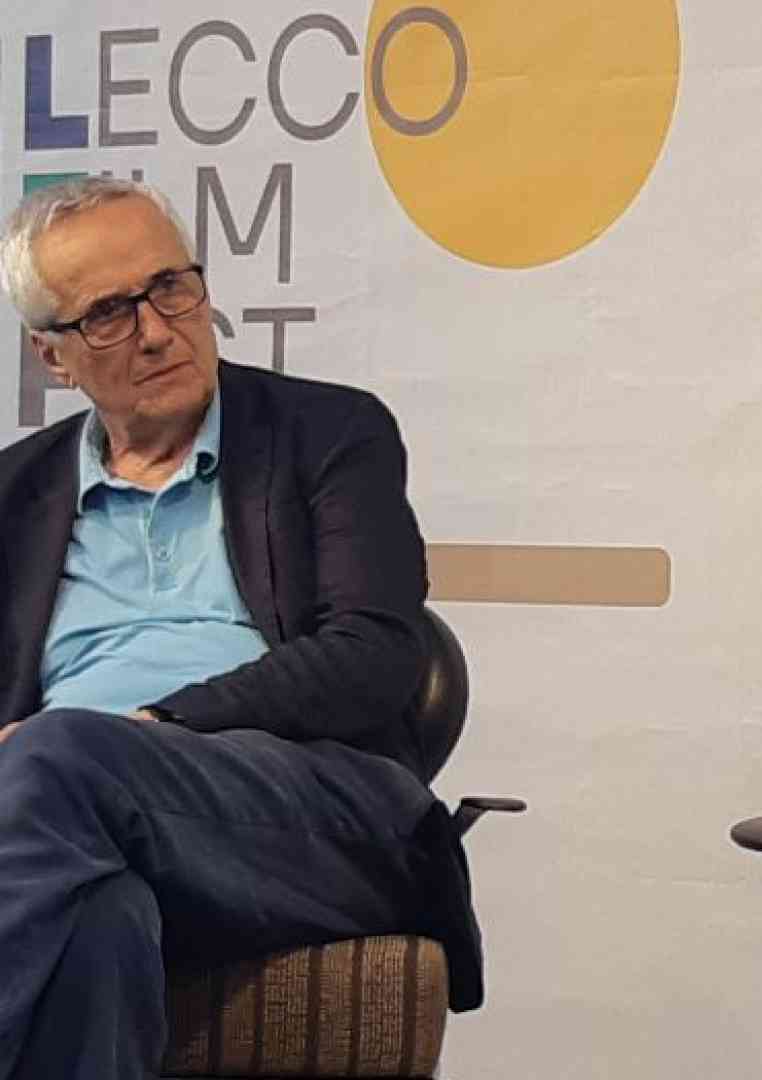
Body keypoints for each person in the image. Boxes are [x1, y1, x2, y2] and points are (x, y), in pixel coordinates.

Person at [0, 177, 481, 1078]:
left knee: (59, 755)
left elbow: (375, 654)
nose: (156, 330)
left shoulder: (328, 433)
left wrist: (152, 727)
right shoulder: (13, 492)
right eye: (107, 314)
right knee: (98, 919)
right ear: (52, 357)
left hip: (307, 814)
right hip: (64, 819)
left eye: (170, 288)